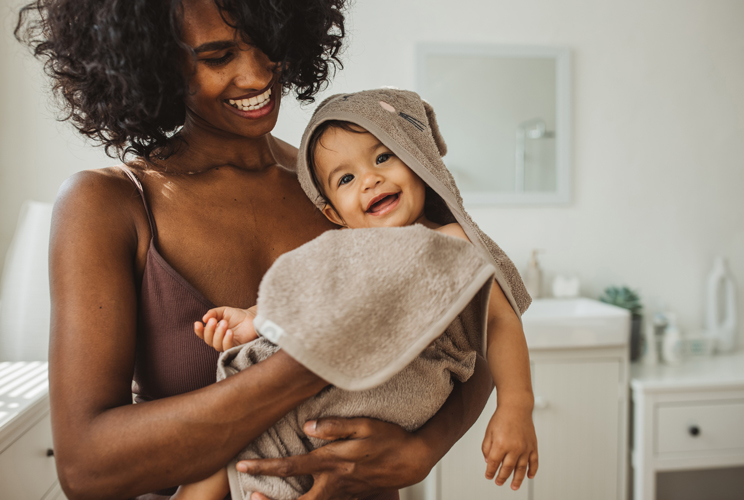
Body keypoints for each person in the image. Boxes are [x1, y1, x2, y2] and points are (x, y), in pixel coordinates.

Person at [15, 1, 520, 499]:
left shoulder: (343, 194)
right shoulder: (108, 203)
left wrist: (425, 449)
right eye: (218, 56)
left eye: (267, 44)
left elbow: (478, 317)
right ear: (153, 63)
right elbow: (86, 468)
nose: (257, 75)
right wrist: (318, 356)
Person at [176, 88, 538, 500]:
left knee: (255, 417)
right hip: (336, 394)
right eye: (346, 179)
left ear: (418, 161)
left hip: (405, 379)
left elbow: (499, 322)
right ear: (334, 213)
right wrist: (253, 320)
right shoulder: (348, 252)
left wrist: (515, 407)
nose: (370, 179)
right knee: (246, 407)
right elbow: (306, 299)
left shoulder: (451, 242)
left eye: (383, 157)